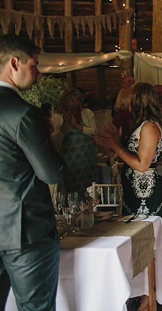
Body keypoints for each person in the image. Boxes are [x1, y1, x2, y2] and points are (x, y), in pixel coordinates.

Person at [0, 34, 66, 311]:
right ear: (14, 63)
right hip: (24, 231)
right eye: (34, 66)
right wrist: (48, 138)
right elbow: (52, 173)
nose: (37, 75)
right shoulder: (24, 114)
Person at [94, 82, 162, 217]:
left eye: (130, 96)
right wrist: (118, 140)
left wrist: (115, 146)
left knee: (143, 232)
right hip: (134, 189)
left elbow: (142, 165)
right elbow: (135, 152)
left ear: (137, 99)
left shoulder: (149, 126)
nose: (127, 100)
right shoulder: (143, 124)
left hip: (144, 190)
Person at [51, 87, 98, 195]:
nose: (75, 103)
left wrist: (76, 125)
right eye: (72, 100)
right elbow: (56, 140)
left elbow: (93, 131)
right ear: (65, 102)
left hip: (87, 157)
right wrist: (65, 125)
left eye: (77, 100)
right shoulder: (57, 117)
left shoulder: (87, 113)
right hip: (69, 160)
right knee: (71, 189)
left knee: (90, 188)